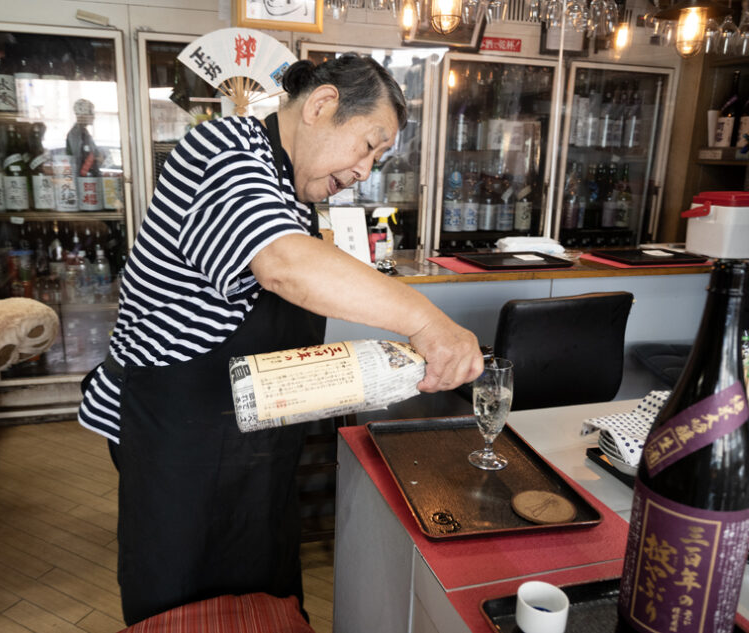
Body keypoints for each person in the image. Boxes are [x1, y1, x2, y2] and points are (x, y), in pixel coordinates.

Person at [78, 54, 483, 626]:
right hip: (183, 436)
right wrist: (427, 322)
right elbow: (282, 264)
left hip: (251, 439)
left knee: (261, 596)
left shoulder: (286, 185)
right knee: (187, 608)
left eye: (377, 158)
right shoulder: (223, 149)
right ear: (321, 105)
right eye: (368, 145)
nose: (366, 169)